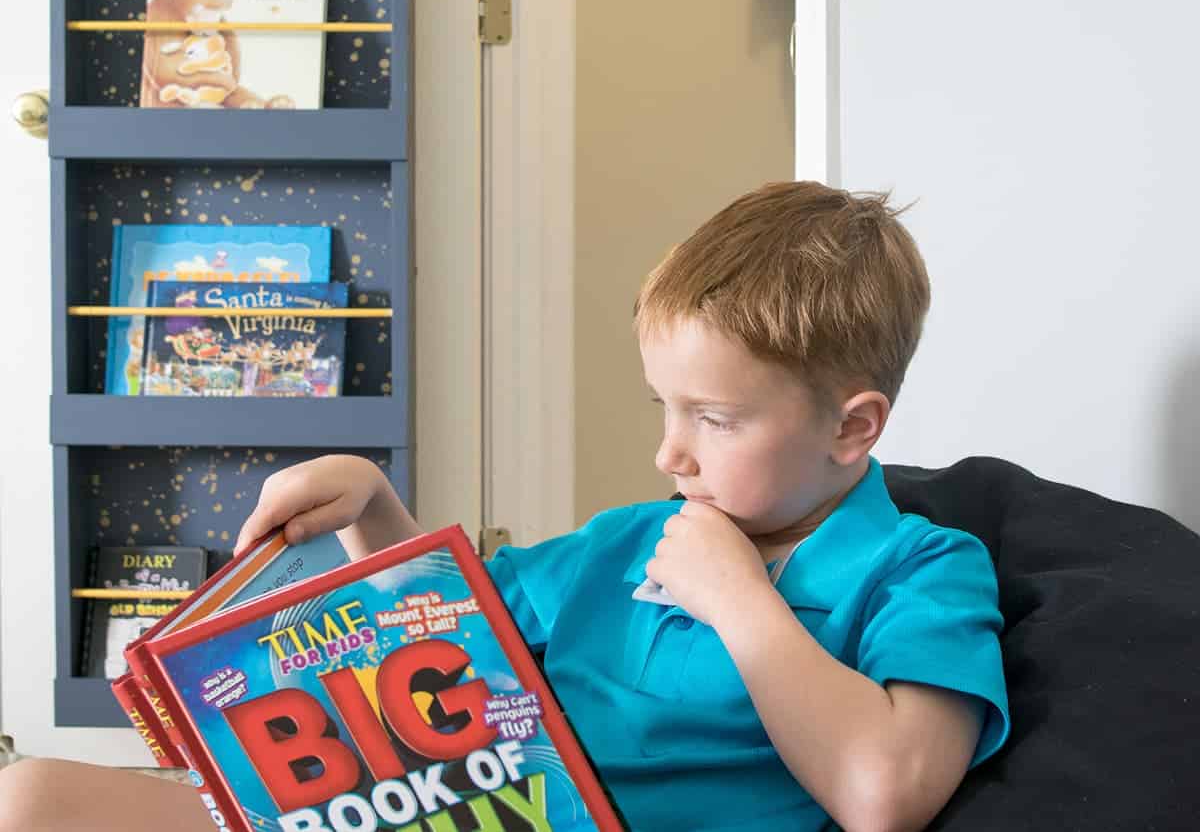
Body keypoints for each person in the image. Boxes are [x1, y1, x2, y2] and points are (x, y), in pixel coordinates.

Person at [0, 181, 1009, 832]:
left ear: (852, 427)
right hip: (429, 808)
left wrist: (740, 599)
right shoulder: (627, 538)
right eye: (665, 407)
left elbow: (884, 794)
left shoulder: (923, 567)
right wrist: (374, 503)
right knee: (30, 795)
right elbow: (445, 636)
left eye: (714, 418)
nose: (670, 451)